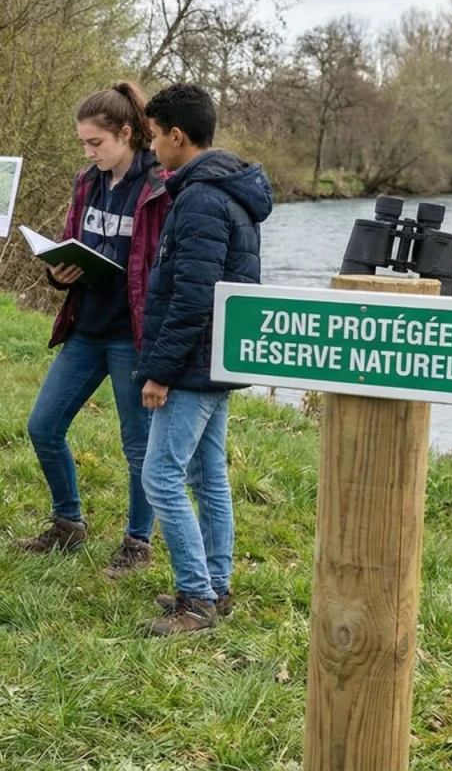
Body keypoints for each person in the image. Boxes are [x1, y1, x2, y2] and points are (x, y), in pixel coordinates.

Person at [17, 82, 171, 580]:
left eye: (95, 143)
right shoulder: (88, 182)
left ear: (126, 134)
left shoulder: (159, 186)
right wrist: (58, 273)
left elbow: (162, 264)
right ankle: (68, 523)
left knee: (138, 445)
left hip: (132, 334)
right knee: (43, 426)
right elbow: (72, 242)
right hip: (86, 327)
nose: (88, 152)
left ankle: (137, 543)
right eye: (83, 143)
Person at [135, 82, 272, 636]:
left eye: (153, 137)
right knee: (207, 474)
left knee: (161, 476)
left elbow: (194, 296)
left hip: (193, 363)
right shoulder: (227, 190)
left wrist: (160, 371)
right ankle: (216, 585)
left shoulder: (201, 198)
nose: (151, 149)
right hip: (219, 358)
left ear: (177, 135)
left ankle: (196, 599)